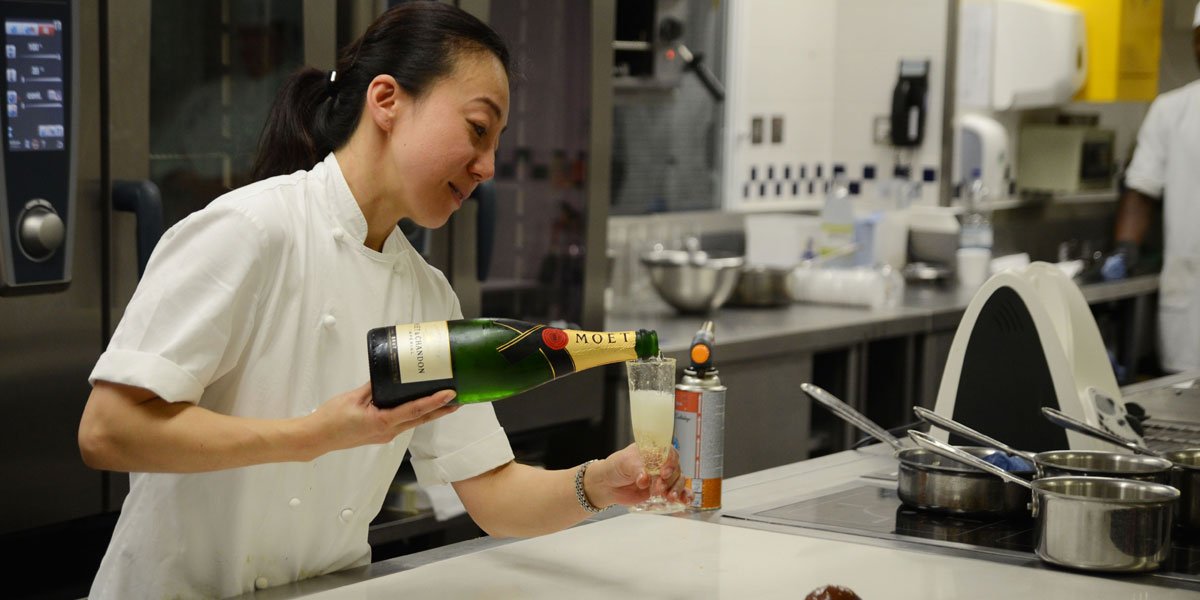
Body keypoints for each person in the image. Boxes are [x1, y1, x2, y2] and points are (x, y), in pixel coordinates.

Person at [77, 4, 684, 598]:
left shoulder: (426, 293)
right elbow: (108, 430)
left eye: (496, 142)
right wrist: (313, 435)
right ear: (387, 100)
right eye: (477, 129)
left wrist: (601, 483)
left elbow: (493, 493)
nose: (489, 166)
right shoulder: (252, 230)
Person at [1106, 3, 1200, 373]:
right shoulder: (1172, 109)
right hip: (1190, 295)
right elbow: (1141, 190)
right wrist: (1126, 249)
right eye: (1198, 40)